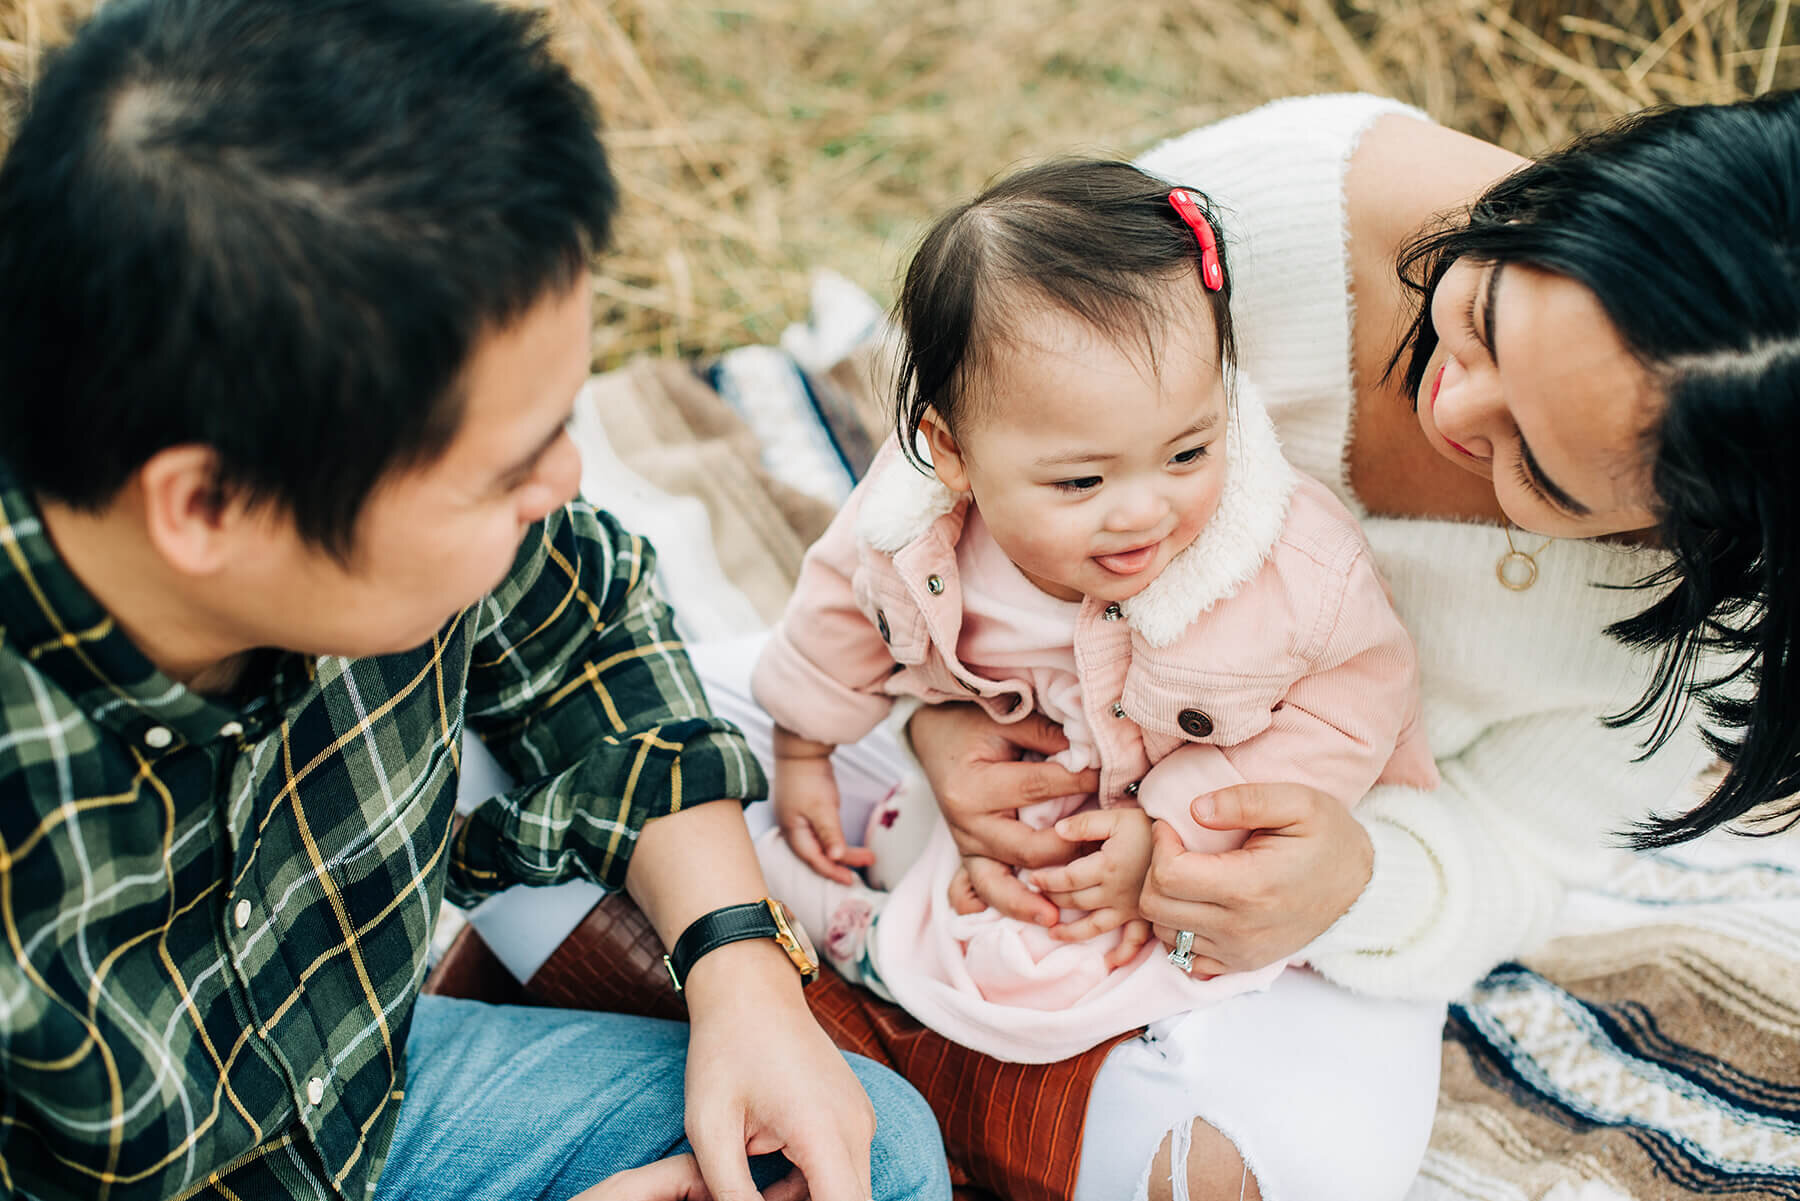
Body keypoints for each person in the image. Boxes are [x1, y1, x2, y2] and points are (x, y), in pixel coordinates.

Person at [0, 2, 951, 1200]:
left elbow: (592, 641)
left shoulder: (377, 467)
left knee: (856, 1144)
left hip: (365, 1101)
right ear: (208, 506)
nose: (563, 479)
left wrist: (739, 965)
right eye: (508, 468)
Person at [878, 90, 1800, 1199]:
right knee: (699, 775)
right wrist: (939, 708)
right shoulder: (1287, 205)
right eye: (1486, 314)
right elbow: (972, 403)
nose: (1455, 406)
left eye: (1539, 473)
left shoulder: (1710, 628)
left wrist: (1354, 884)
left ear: (1696, 533)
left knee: (1262, 1171)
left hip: (1265, 898)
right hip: (1002, 706)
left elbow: (1519, 848)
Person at [747, 159, 1437, 1065]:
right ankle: (876, 939)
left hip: (1180, 830)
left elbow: (1358, 702)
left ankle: (896, 976)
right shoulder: (916, 528)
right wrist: (804, 749)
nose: (1145, 509)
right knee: (771, 805)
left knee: (1076, 972)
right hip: (1020, 781)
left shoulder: (1288, 569)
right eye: (1082, 480)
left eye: (1188, 451)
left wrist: (1176, 825)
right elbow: (840, 604)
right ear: (951, 454)